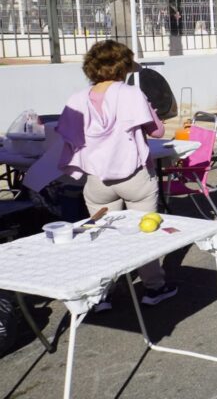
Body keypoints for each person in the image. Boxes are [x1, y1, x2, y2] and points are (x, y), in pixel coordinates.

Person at [56, 40, 178, 309]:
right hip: (134, 176)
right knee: (144, 233)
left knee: (102, 236)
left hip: (97, 180)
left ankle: (102, 295)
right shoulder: (131, 94)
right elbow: (156, 132)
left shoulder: (76, 99)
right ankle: (153, 288)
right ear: (122, 67)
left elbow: (68, 136)